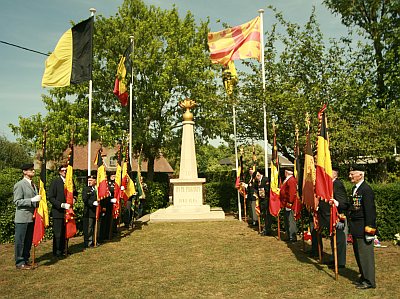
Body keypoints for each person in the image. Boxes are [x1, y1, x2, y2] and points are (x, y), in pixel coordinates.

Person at [348, 165, 377, 289]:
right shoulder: (356, 188)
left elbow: (370, 211)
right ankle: (363, 277)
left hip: (363, 228)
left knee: (365, 255)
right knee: (359, 254)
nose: (350, 176)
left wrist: (370, 230)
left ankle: (369, 281)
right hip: (356, 227)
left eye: (352, 174)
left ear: (360, 175)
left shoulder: (366, 190)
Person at [13, 163, 41, 270]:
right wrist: (31, 200)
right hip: (22, 217)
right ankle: (19, 262)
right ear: (24, 172)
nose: (33, 171)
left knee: (28, 240)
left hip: (31, 217)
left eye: (33, 169)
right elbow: (17, 201)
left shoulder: (33, 185)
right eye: (30, 170)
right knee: (20, 240)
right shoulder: (20, 185)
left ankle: (25, 259)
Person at [48, 165, 70, 257]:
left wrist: (74, 200)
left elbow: (75, 193)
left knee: (66, 232)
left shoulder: (70, 181)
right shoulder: (55, 182)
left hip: (68, 211)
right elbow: (51, 197)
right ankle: (57, 251)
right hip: (58, 211)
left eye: (66, 170)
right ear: (59, 172)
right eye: (63, 170)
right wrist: (61, 205)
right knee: (58, 232)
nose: (65, 172)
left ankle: (65, 249)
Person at [280, 167, 298, 242]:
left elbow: (292, 192)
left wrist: (290, 202)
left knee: (291, 220)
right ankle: (289, 235)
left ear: (286, 172)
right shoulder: (288, 180)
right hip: (286, 202)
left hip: (290, 203)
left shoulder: (291, 180)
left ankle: (292, 236)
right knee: (287, 220)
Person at [82, 175, 98, 249]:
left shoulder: (96, 189)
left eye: (91, 180)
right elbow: (85, 199)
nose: (89, 182)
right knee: (89, 227)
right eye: (88, 180)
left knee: (95, 226)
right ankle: (88, 242)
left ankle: (95, 240)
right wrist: (92, 203)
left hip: (97, 211)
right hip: (89, 211)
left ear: (95, 181)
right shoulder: (86, 189)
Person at [99, 172, 116, 242]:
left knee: (110, 219)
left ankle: (109, 233)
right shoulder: (106, 183)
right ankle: (102, 235)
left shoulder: (116, 183)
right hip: (106, 203)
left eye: (114, 176)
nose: (113, 177)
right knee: (104, 220)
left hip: (113, 203)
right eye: (112, 175)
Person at [256, 171, 272, 236]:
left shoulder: (265, 179)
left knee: (267, 215)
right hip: (261, 200)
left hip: (266, 200)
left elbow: (268, 189)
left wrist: (262, 191)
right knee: (264, 215)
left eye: (257, 175)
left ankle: (267, 230)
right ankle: (265, 228)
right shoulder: (258, 181)